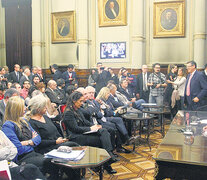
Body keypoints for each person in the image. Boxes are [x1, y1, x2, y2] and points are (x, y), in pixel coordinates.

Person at [2, 96, 59, 179]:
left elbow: (38, 138)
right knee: (50, 163)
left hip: (33, 153)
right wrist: (32, 142)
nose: (25, 108)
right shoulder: (8, 126)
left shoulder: (24, 121)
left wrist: (28, 142)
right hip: (23, 158)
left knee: (55, 162)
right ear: (16, 109)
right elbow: (18, 149)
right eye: (23, 107)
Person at [63, 91, 117, 174]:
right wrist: (90, 128)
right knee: (100, 139)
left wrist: (95, 126)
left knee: (104, 130)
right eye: (80, 101)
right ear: (74, 101)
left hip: (83, 132)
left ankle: (108, 157)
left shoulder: (77, 110)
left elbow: (85, 122)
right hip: (75, 136)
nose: (82, 103)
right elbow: (75, 129)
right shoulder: (68, 112)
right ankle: (107, 161)